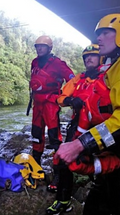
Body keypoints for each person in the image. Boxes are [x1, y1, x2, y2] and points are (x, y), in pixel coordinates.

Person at [55, 14, 120, 215]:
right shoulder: (115, 66)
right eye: (98, 34)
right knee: (96, 205)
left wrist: (80, 145)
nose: (98, 39)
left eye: (104, 33)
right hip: (116, 152)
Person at [46, 44, 120, 214]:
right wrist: (71, 101)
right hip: (77, 125)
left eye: (93, 55)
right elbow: (61, 97)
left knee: (107, 163)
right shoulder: (79, 79)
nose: (89, 59)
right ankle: (63, 200)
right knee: (65, 160)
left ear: (101, 57)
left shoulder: (109, 76)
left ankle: (106, 201)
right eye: (86, 56)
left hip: (104, 127)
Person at [28, 35, 75, 192]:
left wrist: (67, 97)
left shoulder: (58, 64)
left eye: (42, 46)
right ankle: (36, 167)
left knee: (55, 137)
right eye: (37, 46)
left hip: (51, 103)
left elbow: (72, 79)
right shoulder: (34, 62)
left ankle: (57, 173)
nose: (39, 48)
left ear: (49, 48)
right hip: (37, 104)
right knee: (36, 134)